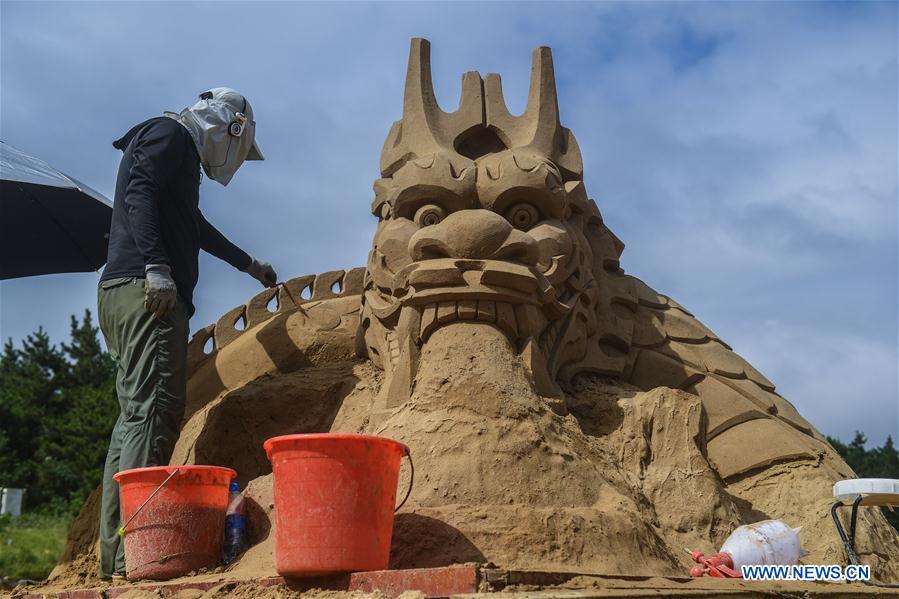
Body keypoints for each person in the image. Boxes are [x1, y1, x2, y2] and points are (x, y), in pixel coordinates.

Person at [96, 88, 276, 579]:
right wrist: (157, 267)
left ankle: (114, 558)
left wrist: (249, 265)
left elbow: (191, 225)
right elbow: (139, 191)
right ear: (230, 126)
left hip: (127, 291)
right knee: (155, 413)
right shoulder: (171, 134)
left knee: (135, 418)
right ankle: (137, 553)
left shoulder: (175, 147)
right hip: (148, 293)